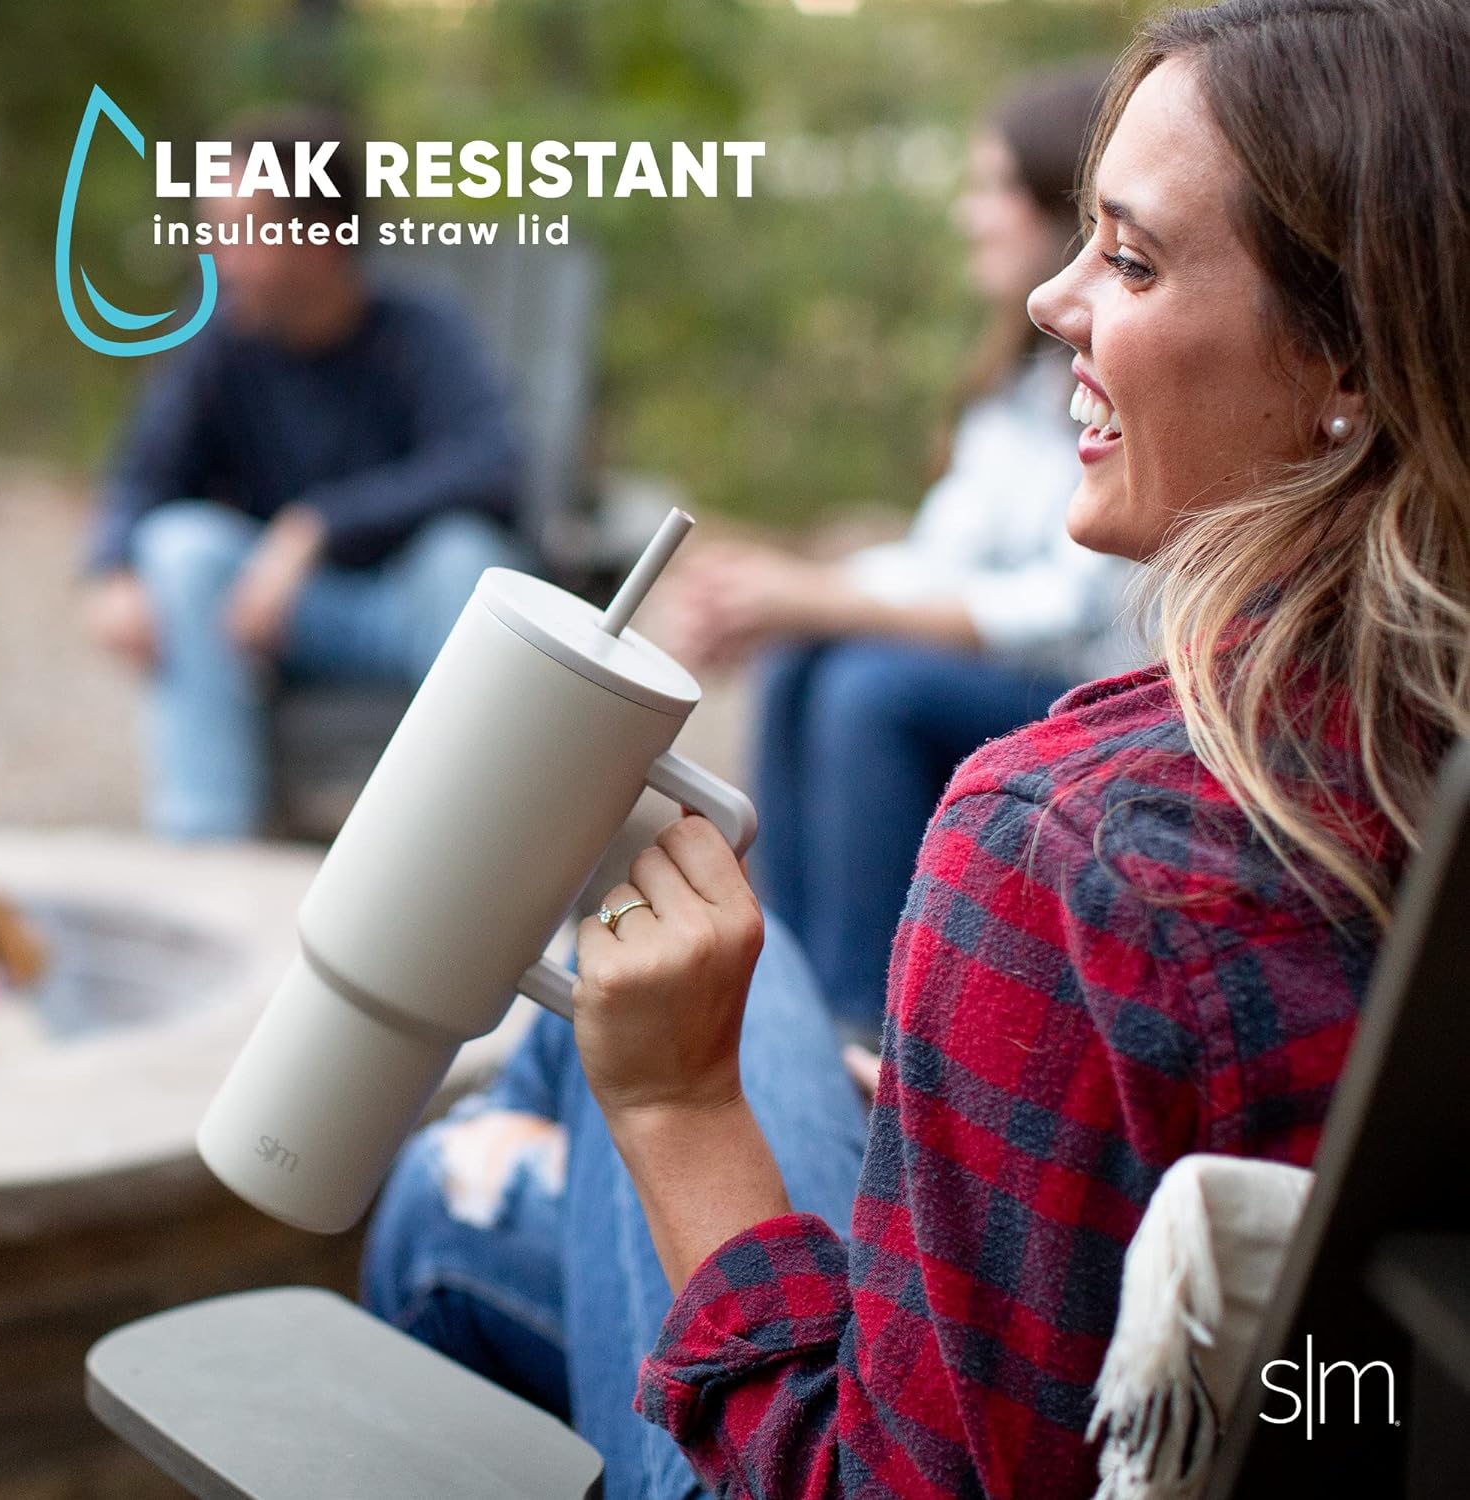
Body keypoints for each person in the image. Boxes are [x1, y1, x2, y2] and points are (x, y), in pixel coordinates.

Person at [363, 2, 1470, 1496]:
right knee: (623, 1038)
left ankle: (500, 1159)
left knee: (462, 1184)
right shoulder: (1401, 775)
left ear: (1359, 357)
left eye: (1132, 260)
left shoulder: (1074, 853)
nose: (1053, 302)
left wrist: (681, 1109)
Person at [664, 66, 1141, 1039]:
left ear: (1058, 204)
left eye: (992, 189)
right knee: (804, 655)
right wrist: (782, 593)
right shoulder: (1013, 383)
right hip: (1014, 675)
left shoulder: (1111, 385)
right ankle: (783, 981)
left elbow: (1064, 611)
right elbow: (940, 557)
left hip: (1097, 695)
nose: (972, 216)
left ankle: (860, 1020)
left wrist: (824, 599)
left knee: (869, 689)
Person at [84, 107, 527, 840]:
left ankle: (472, 849)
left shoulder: (424, 330)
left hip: (412, 611)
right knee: (179, 547)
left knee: (466, 560)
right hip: (280, 616)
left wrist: (315, 526)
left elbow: (492, 466)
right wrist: (111, 571)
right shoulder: (221, 337)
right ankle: (210, 843)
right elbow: (145, 476)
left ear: (322, 241)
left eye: (241, 231)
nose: (218, 253)